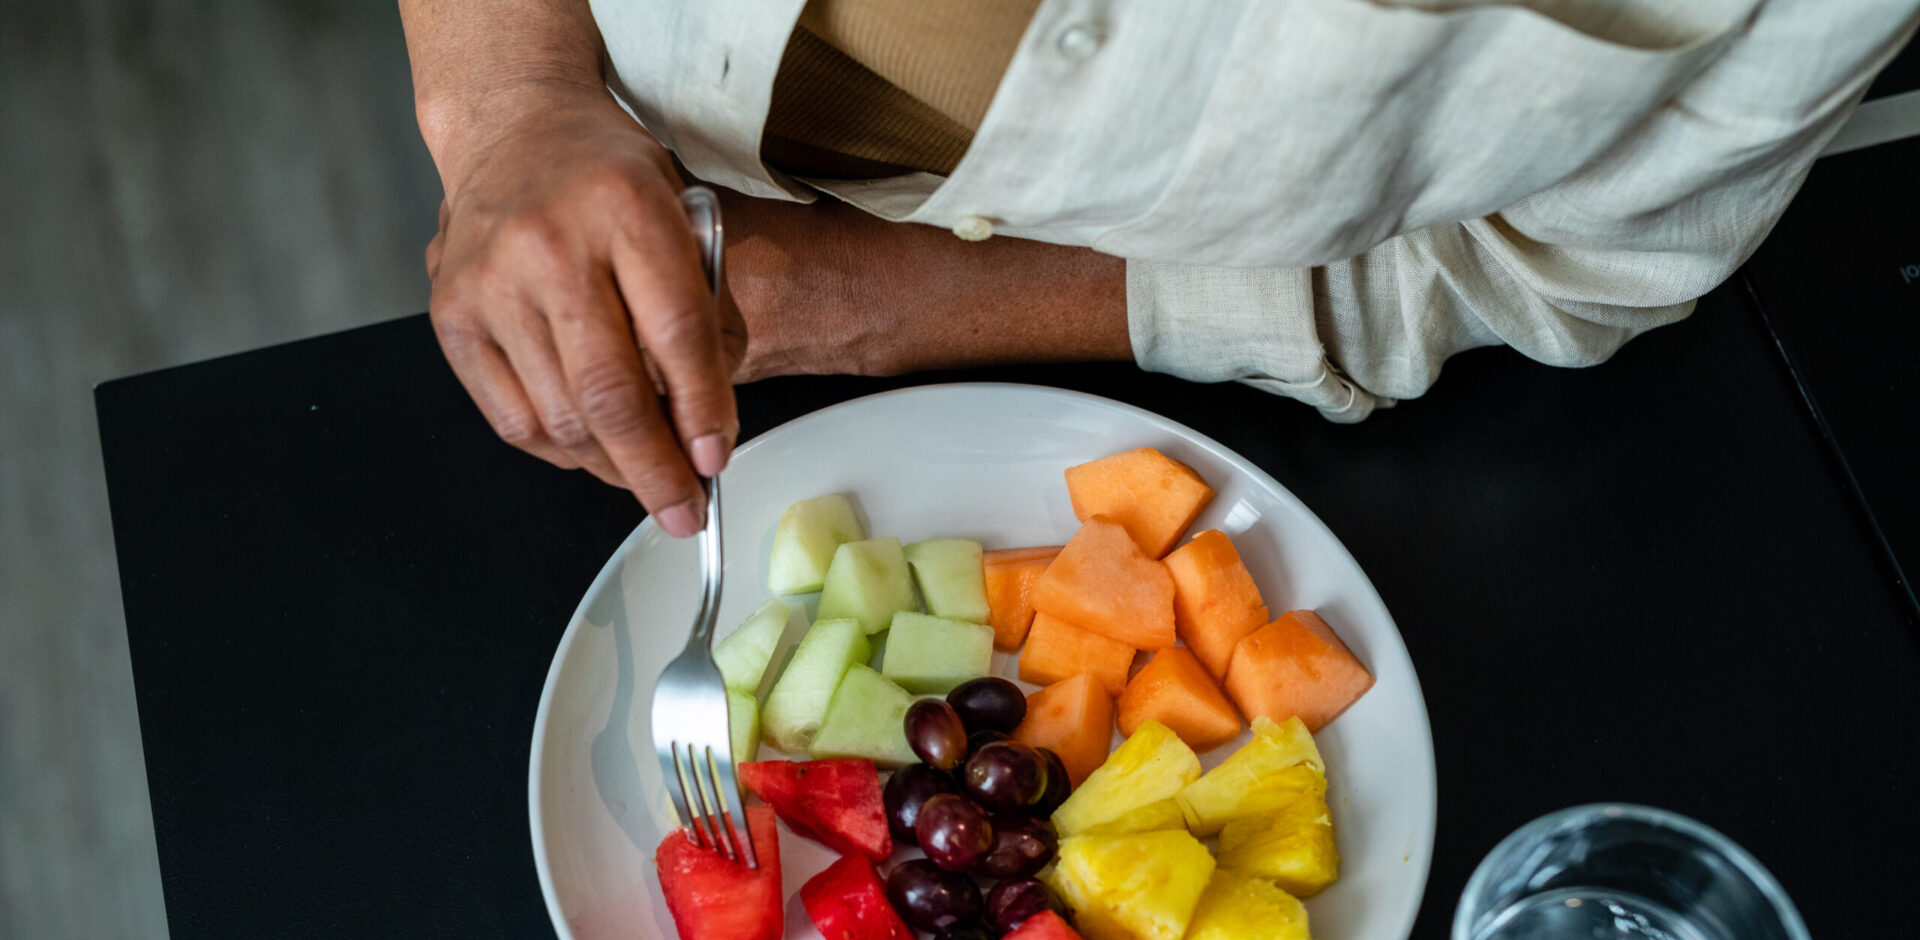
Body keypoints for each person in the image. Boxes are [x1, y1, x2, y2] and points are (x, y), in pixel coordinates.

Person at [399, 0, 1918, 536]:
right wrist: (514, 94)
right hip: (590, 126)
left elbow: (1557, 262)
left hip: (998, 338)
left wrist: (860, 306)